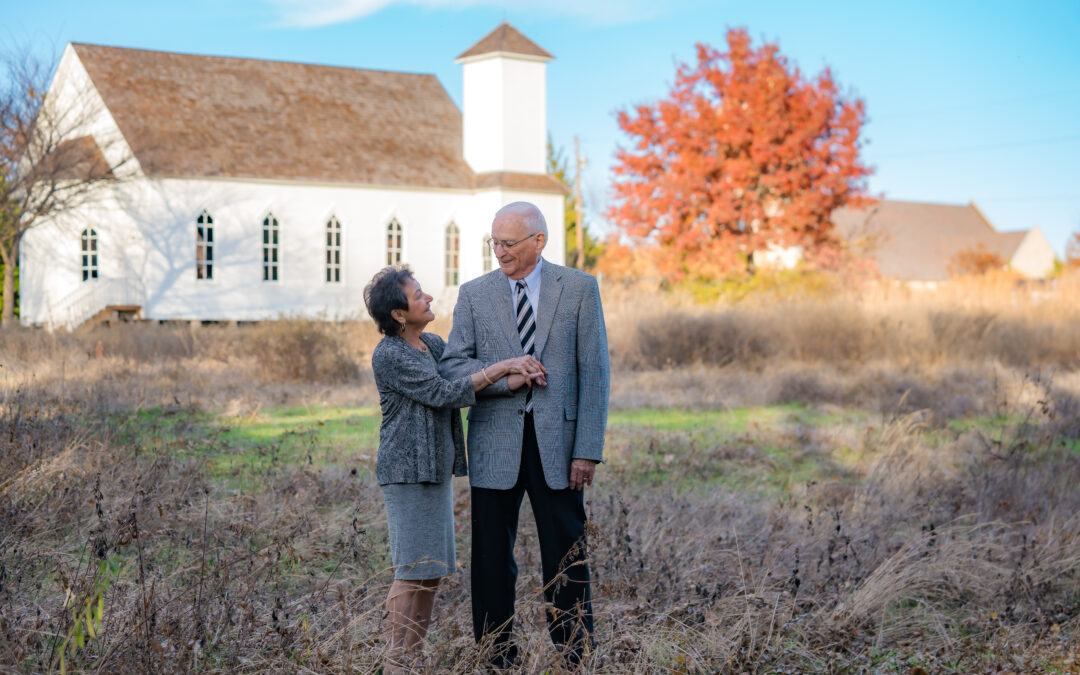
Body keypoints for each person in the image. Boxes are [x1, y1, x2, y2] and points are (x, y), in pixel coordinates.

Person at [441, 202, 610, 668]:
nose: (499, 252)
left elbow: (594, 373)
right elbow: (455, 366)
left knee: (566, 555)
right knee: (492, 558)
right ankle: (496, 654)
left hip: (561, 448)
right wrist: (507, 379)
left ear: (539, 241)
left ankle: (575, 654)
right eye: (494, 243)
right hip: (494, 445)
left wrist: (588, 450)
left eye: (509, 243)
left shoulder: (579, 289)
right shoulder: (474, 294)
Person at [363, 265, 546, 673]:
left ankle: (415, 656)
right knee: (411, 570)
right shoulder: (390, 354)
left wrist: (514, 378)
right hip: (406, 471)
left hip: (435, 469)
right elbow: (445, 393)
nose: (428, 298)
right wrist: (504, 366)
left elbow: (463, 376)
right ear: (398, 314)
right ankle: (394, 661)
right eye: (418, 295)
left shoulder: (429, 342)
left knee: (431, 572)